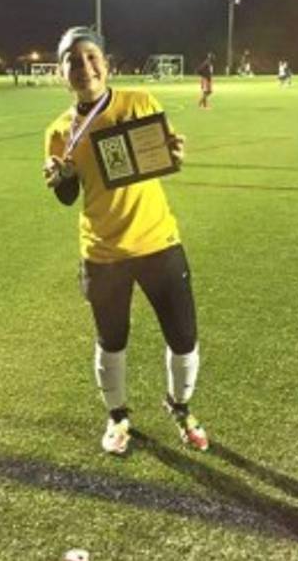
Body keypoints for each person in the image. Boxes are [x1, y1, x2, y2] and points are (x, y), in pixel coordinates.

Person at [43, 26, 209, 456]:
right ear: (61, 72)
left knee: (184, 337)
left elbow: (162, 155)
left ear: (107, 63)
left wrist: (174, 153)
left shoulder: (139, 104)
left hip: (158, 242)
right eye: (73, 61)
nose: (84, 67)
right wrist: (58, 179)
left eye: (91, 57)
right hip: (102, 253)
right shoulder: (60, 131)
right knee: (111, 341)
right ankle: (118, 417)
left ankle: (180, 406)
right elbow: (67, 197)